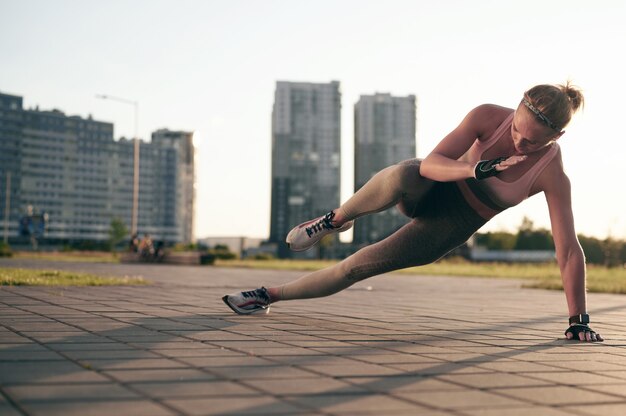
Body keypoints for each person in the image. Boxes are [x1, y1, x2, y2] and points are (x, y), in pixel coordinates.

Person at [223, 82, 603, 343]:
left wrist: (578, 320)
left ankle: (266, 295)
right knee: (405, 172)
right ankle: (337, 219)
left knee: (356, 266)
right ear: (516, 109)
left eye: (532, 141)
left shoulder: (551, 174)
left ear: (556, 139)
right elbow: (431, 164)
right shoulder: (488, 116)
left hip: (449, 226)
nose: (519, 140)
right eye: (518, 129)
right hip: (431, 187)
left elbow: (568, 249)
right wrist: (475, 169)